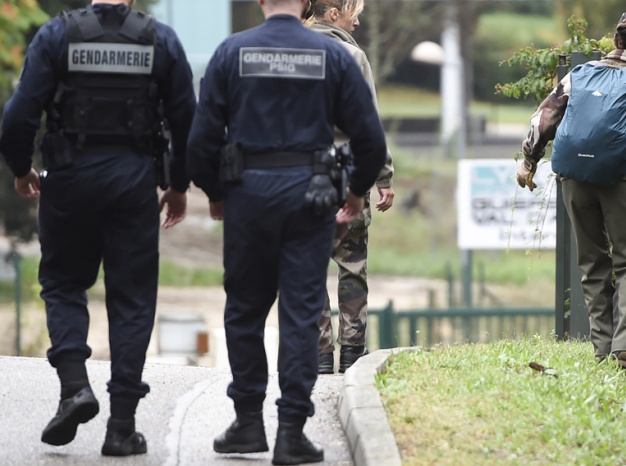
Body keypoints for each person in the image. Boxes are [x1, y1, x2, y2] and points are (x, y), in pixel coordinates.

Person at [185, 0, 387, 463]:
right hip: (310, 199)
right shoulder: (333, 56)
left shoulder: (231, 53)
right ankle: (292, 432)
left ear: (260, 1)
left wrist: (216, 193)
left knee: (244, 311)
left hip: (247, 198)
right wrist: (356, 193)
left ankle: (248, 424)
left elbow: (201, 139)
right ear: (308, 3)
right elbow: (370, 138)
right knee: (300, 312)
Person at [0, 0, 195, 456]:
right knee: (131, 297)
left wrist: (21, 167)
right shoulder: (159, 40)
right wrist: (180, 184)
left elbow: (18, 114)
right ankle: (121, 427)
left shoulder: (56, 36)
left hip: (68, 182)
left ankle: (74, 389)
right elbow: (189, 120)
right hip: (133, 184)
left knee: (64, 284)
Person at [516, 12, 626, 379]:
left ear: (615, 41)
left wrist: (529, 160)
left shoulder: (578, 76)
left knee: (593, 262)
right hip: (622, 180)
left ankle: (602, 349)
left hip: (574, 178)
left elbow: (544, 118)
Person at [301, 0, 395, 375]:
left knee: (308, 267)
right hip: (348, 177)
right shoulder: (352, 56)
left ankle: (320, 356)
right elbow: (369, 123)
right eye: (353, 11)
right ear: (333, 13)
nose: (358, 20)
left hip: (303, 176)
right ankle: (353, 353)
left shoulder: (294, 48)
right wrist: (383, 177)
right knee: (352, 268)